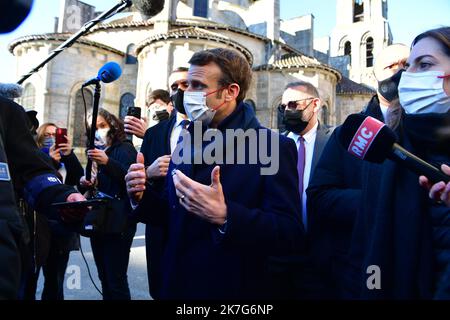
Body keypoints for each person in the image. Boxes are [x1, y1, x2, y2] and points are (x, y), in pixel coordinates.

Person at [126, 48, 304, 299]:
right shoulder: (187, 139)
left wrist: (226, 215)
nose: (187, 94)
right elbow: (172, 211)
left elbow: (288, 233)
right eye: (187, 85)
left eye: (198, 86)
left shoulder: (272, 147)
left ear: (230, 91)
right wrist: (140, 196)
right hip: (176, 284)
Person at [348, 26, 450, 299]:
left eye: (423, 64)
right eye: (408, 67)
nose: (406, 75)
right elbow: (364, 247)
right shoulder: (384, 152)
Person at [306, 43, 410, 299]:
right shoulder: (348, 133)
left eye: (407, 66)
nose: (399, 73)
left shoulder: (435, 129)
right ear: (373, 74)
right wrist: (382, 201)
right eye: (390, 66)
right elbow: (319, 195)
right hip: (361, 265)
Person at [135, 66, 189, 299]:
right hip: (159, 229)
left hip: (195, 228)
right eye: (175, 87)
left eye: (187, 85)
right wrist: (149, 171)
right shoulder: (154, 134)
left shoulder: (217, 132)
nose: (180, 91)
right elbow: (139, 181)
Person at [79, 108, 137, 300]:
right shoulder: (96, 152)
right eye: (93, 128)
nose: (98, 131)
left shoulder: (125, 148)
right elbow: (97, 185)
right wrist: (86, 183)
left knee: (116, 279)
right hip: (99, 218)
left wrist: (107, 162)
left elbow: (128, 178)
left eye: (101, 126)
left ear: (112, 124)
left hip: (119, 221)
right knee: (103, 276)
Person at [21, 123, 84, 300]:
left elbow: (78, 178)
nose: (51, 138)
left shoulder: (66, 159)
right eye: (47, 135)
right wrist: (48, 159)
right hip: (37, 227)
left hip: (60, 228)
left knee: (55, 280)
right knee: (29, 279)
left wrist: (69, 155)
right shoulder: (35, 157)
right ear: (40, 138)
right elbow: (35, 181)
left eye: (55, 134)